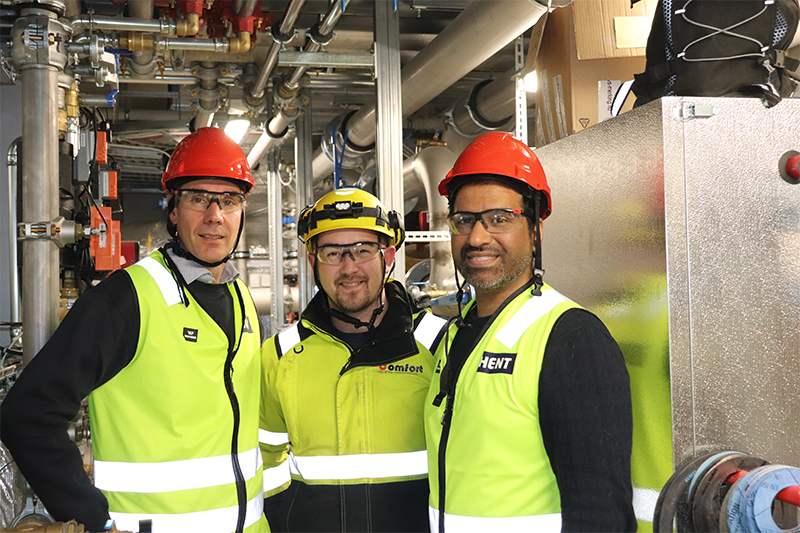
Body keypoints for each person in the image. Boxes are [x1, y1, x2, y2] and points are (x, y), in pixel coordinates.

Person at [1, 127, 269, 533]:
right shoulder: (127, 299)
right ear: (173, 211)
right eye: (198, 198)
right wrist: (95, 520)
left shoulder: (242, 298)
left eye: (229, 200)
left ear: (242, 211)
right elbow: (28, 413)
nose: (215, 215)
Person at [424, 131, 636, 533]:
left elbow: (599, 512)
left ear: (535, 228)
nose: (477, 237)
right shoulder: (455, 334)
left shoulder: (571, 338)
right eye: (464, 220)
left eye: (499, 219)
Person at [258, 188, 447, 532]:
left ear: (388, 256)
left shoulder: (438, 345)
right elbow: (263, 460)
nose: (349, 268)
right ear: (313, 262)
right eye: (332, 253)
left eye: (363, 250)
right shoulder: (280, 355)